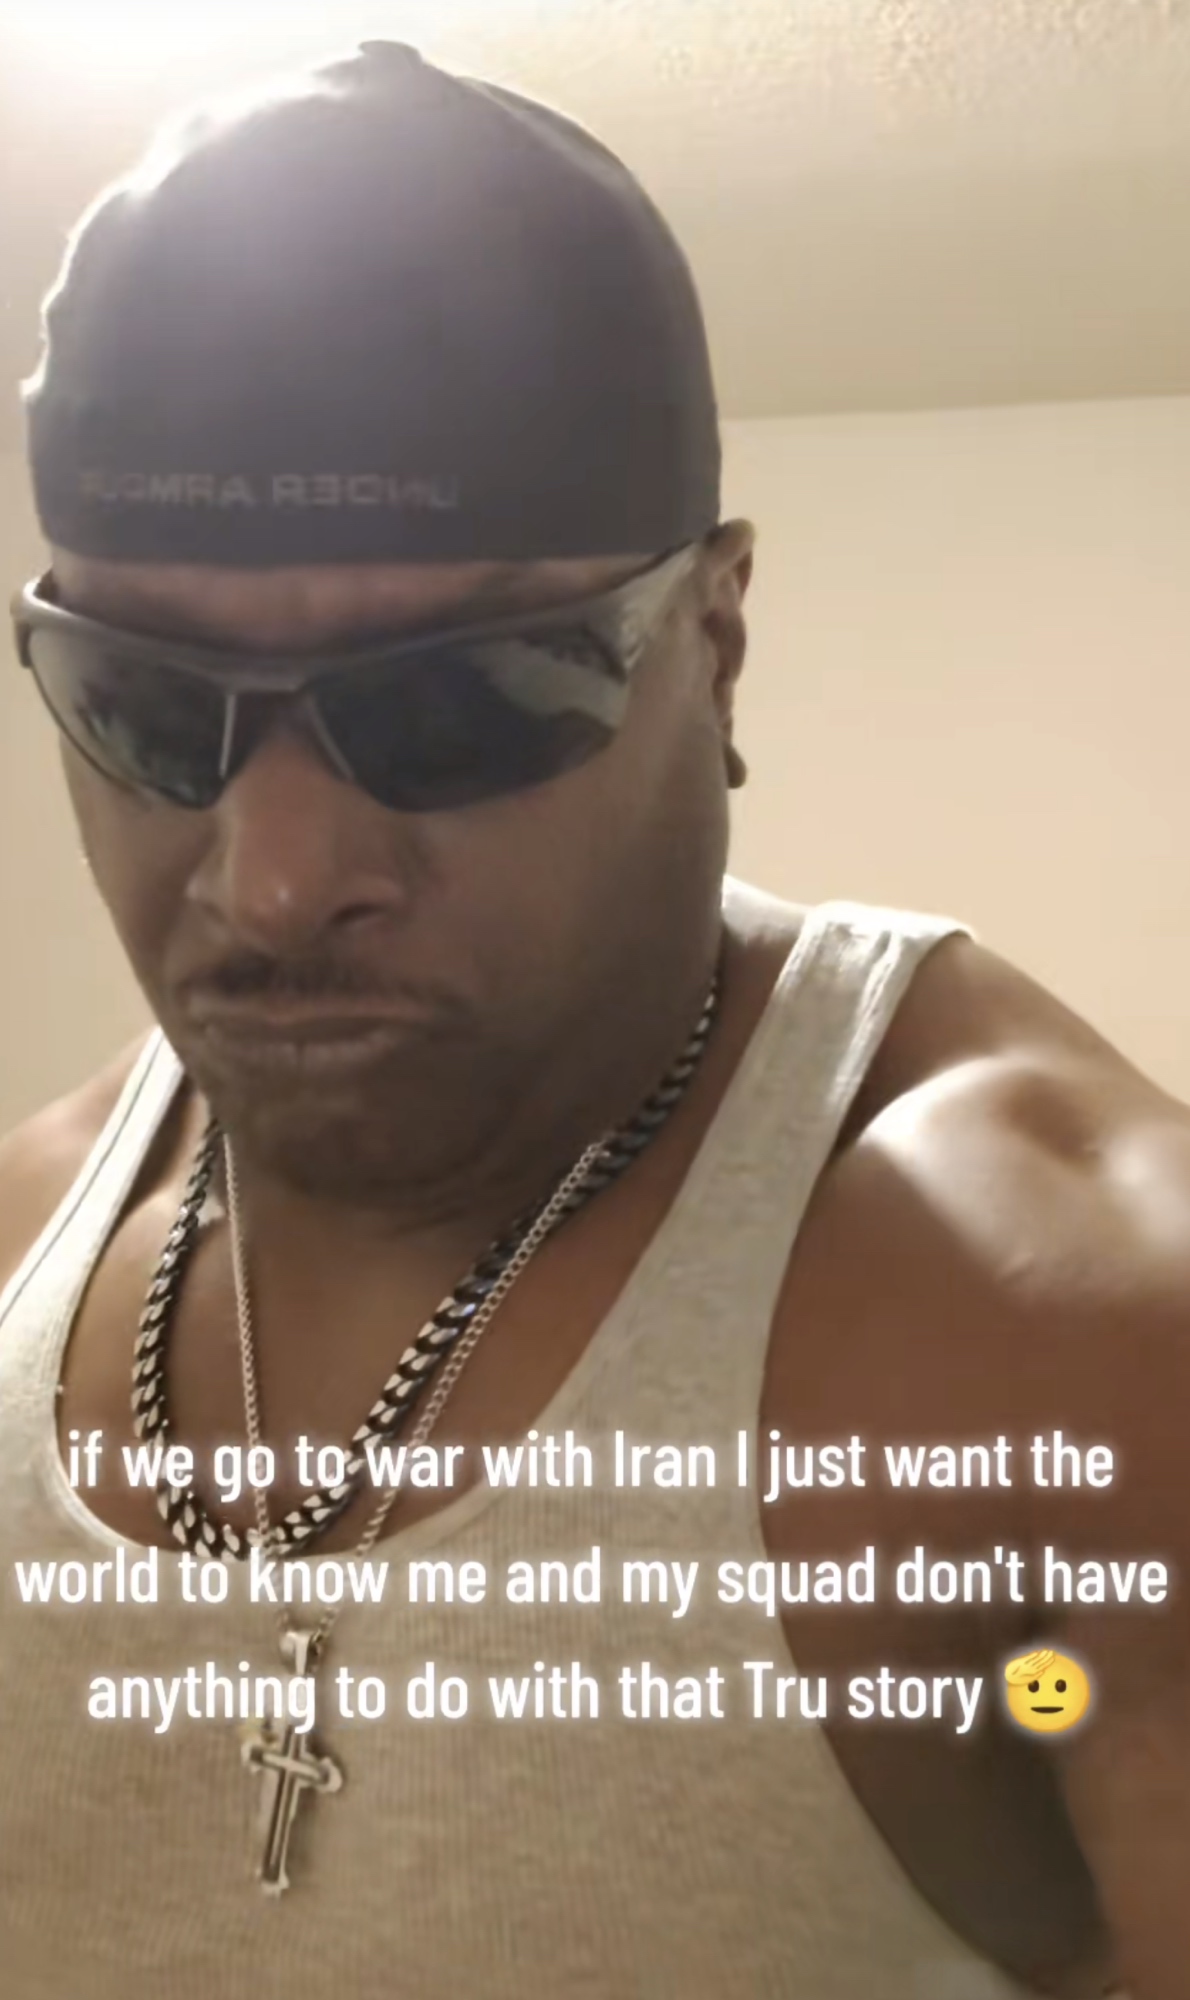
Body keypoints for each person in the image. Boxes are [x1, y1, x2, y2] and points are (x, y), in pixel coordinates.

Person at [0, 37, 1185, 2000]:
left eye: (458, 702)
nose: (275, 881)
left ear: (713, 641)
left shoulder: (1075, 1336)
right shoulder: (23, 1245)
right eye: (145, 705)